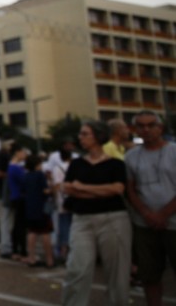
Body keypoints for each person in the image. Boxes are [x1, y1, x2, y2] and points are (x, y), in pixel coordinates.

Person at [61, 120, 130, 306]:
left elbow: (117, 189)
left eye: (85, 134)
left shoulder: (115, 164)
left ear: (98, 136)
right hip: (82, 220)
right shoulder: (77, 163)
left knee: (117, 272)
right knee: (78, 269)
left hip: (113, 219)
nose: (80, 137)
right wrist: (100, 190)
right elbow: (67, 188)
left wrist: (83, 188)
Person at [125, 110, 176, 306]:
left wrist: (163, 214)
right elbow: (130, 189)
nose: (146, 129)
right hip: (144, 225)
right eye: (141, 126)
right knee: (149, 275)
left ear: (160, 128)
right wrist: (147, 214)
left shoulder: (173, 151)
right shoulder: (130, 156)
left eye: (150, 125)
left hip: (173, 223)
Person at [44, 139, 76, 264]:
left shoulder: (57, 169)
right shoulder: (75, 166)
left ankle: (63, 251)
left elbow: (56, 186)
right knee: (74, 225)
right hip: (75, 199)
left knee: (63, 226)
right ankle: (72, 250)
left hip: (62, 201)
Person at [22, 154, 54, 268]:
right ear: (37, 165)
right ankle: (49, 260)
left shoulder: (26, 176)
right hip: (41, 207)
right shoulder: (40, 175)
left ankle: (31, 258)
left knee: (32, 232)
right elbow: (45, 190)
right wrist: (51, 188)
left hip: (30, 207)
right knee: (45, 232)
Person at [6, 143, 28, 261]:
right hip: (19, 198)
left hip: (16, 197)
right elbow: (25, 182)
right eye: (23, 152)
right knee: (20, 226)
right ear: (17, 152)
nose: (24, 154)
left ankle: (17, 250)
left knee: (17, 225)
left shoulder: (14, 167)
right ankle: (20, 251)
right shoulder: (15, 168)